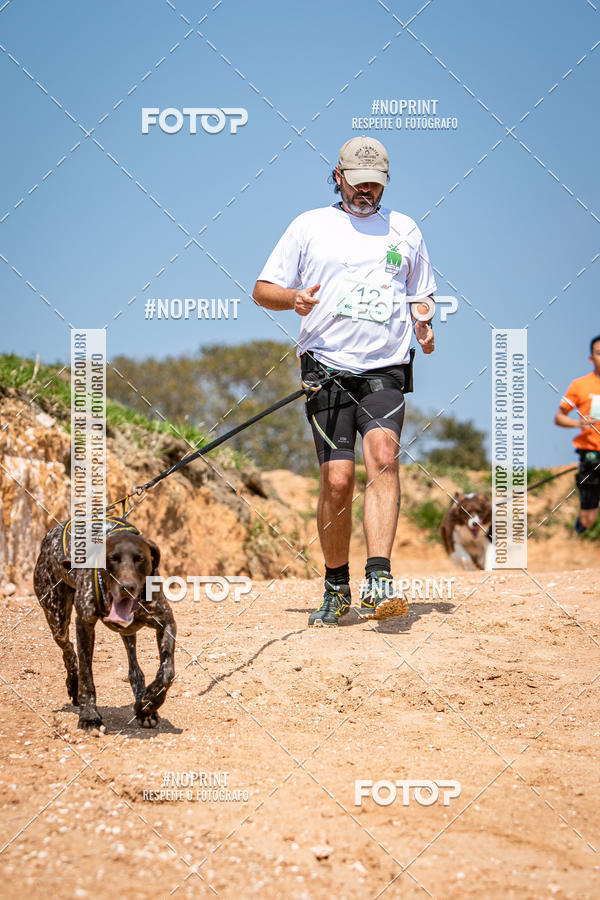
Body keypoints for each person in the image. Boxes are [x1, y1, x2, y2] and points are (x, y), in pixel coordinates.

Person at [253, 136, 436, 625]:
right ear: (338, 176)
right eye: (357, 183)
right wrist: (292, 298)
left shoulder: (405, 229)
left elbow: (422, 293)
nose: (366, 192)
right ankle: (336, 586)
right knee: (338, 480)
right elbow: (261, 290)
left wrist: (424, 321)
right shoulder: (309, 225)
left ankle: (380, 579)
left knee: (383, 457)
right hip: (326, 367)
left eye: (375, 184)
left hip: (385, 366)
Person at [555, 335, 600, 535]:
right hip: (590, 454)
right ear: (591, 358)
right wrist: (578, 423)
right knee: (588, 518)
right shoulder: (579, 385)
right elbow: (559, 417)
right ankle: (576, 534)